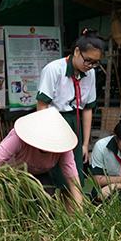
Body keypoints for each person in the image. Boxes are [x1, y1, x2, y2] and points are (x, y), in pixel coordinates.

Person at [0, 107, 83, 212]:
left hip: (40, 173)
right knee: (18, 206)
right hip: (12, 174)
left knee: (47, 199)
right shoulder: (18, 139)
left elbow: (73, 181)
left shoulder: (63, 147)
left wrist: (80, 211)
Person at [36, 28, 105, 184]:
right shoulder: (53, 69)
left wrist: (85, 144)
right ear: (76, 51)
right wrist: (46, 139)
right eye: (88, 60)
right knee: (56, 175)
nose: (90, 65)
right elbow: (41, 107)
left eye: (96, 63)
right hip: (53, 122)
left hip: (76, 123)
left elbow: (87, 108)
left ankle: (74, 207)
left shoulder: (91, 73)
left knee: (75, 175)